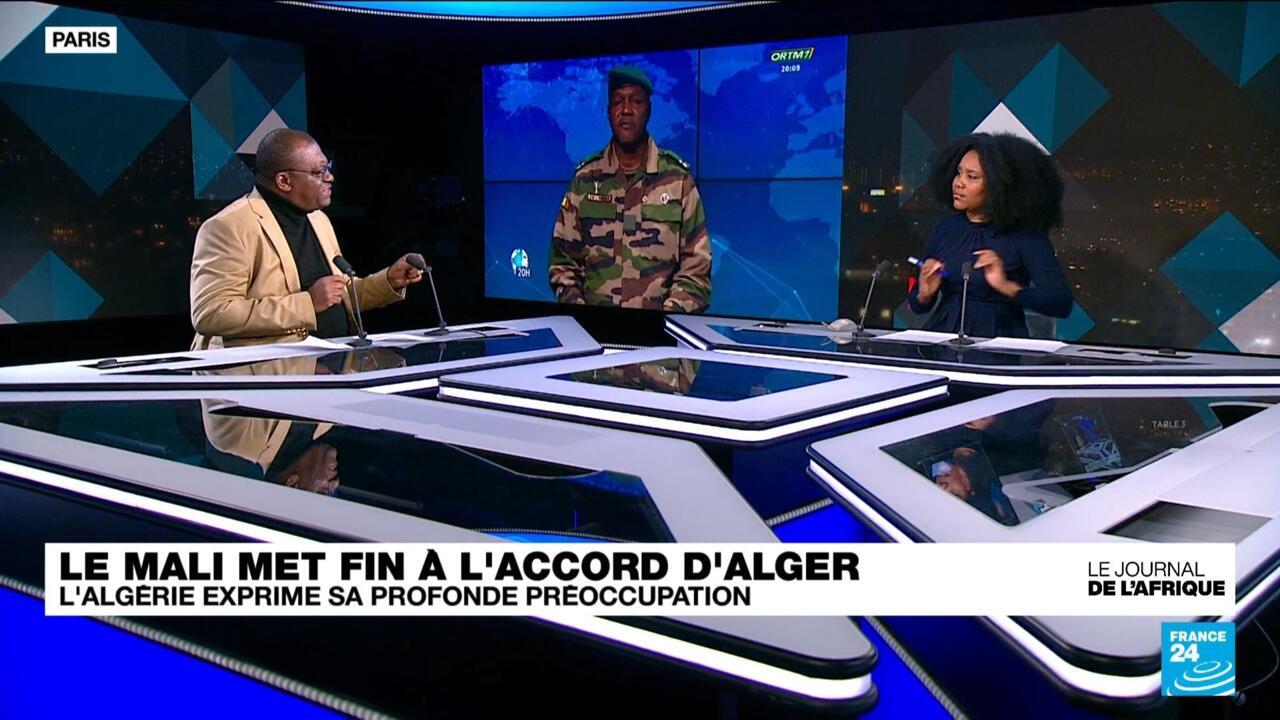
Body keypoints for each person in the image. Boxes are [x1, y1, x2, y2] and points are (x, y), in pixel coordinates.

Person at [189, 129, 424, 349]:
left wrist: (388, 280)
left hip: (335, 363)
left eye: (328, 167)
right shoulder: (229, 226)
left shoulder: (318, 219)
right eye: (318, 172)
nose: (330, 177)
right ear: (284, 181)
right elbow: (211, 313)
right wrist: (308, 303)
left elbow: (337, 295)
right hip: (264, 372)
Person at [549, 65, 711, 312]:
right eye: (618, 102)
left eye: (636, 101)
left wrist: (662, 322)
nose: (626, 110)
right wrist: (582, 316)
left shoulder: (678, 181)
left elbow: (696, 272)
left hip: (661, 333)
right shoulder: (584, 180)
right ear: (608, 111)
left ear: (649, 110)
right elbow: (563, 265)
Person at [908, 132, 1073, 338]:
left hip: (996, 343)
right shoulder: (945, 227)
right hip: (942, 338)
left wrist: (1006, 287)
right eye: (959, 173)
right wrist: (925, 294)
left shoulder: (1025, 236)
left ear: (998, 186)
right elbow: (918, 306)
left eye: (972, 177)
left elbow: (1061, 303)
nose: (959, 183)